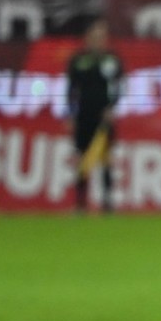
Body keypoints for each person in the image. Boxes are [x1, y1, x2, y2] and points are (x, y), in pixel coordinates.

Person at [66, 17, 124, 213]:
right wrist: (71, 115)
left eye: (102, 36)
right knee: (82, 158)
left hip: (104, 118)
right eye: (95, 36)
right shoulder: (78, 60)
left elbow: (120, 87)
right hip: (83, 117)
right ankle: (81, 202)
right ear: (87, 38)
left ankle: (108, 202)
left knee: (106, 159)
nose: (98, 40)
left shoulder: (112, 60)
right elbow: (70, 89)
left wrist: (112, 107)